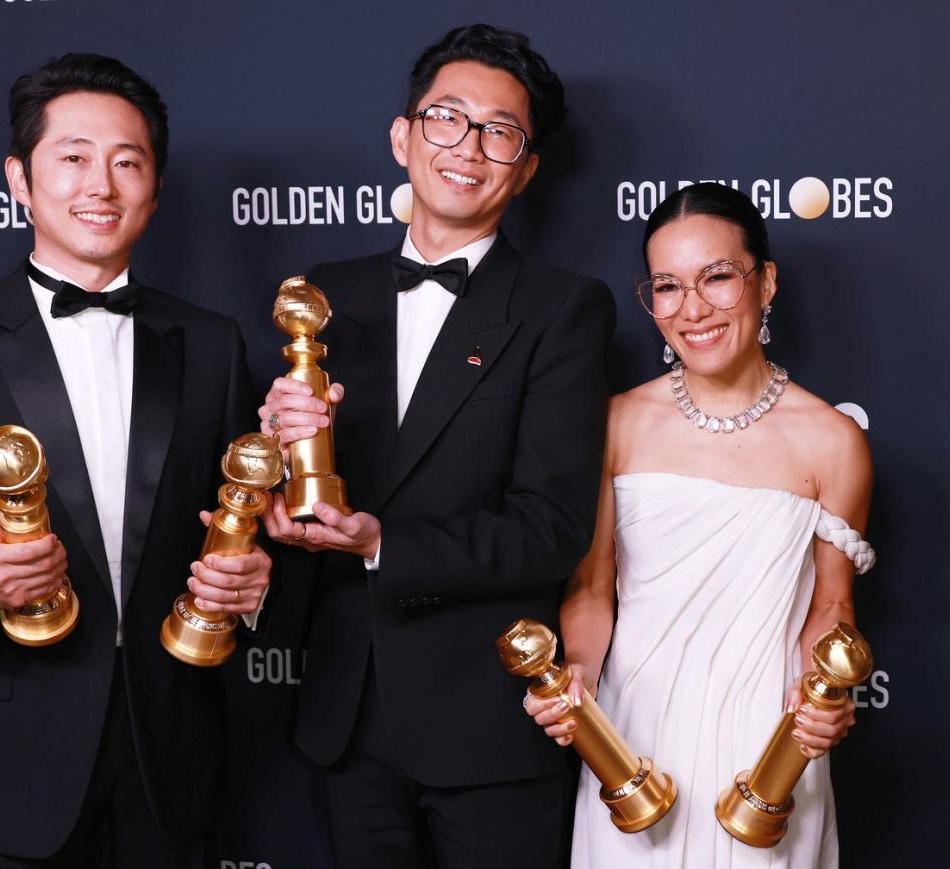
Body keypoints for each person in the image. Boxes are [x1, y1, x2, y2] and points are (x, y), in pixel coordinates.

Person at [0, 53, 269, 868]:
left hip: (172, 762)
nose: (99, 186)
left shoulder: (212, 344)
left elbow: (239, 534)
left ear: (155, 183)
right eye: (72, 157)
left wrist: (254, 585)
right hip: (0, 764)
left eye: (126, 161)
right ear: (19, 178)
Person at [256, 24, 615, 869]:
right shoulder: (321, 297)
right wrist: (272, 464)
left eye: (500, 131)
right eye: (446, 118)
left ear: (525, 168)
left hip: (487, 722)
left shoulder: (563, 309)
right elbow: (286, 498)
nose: (468, 147)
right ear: (401, 136)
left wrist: (382, 543)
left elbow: (549, 527)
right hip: (343, 715)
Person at [525, 182, 875, 868]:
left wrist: (822, 697)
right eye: (667, 286)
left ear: (764, 281)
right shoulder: (615, 422)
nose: (692, 309)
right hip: (632, 743)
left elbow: (831, 605)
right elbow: (592, 587)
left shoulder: (833, 441)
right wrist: (578, 683)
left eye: (717, 277)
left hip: (768, 750)